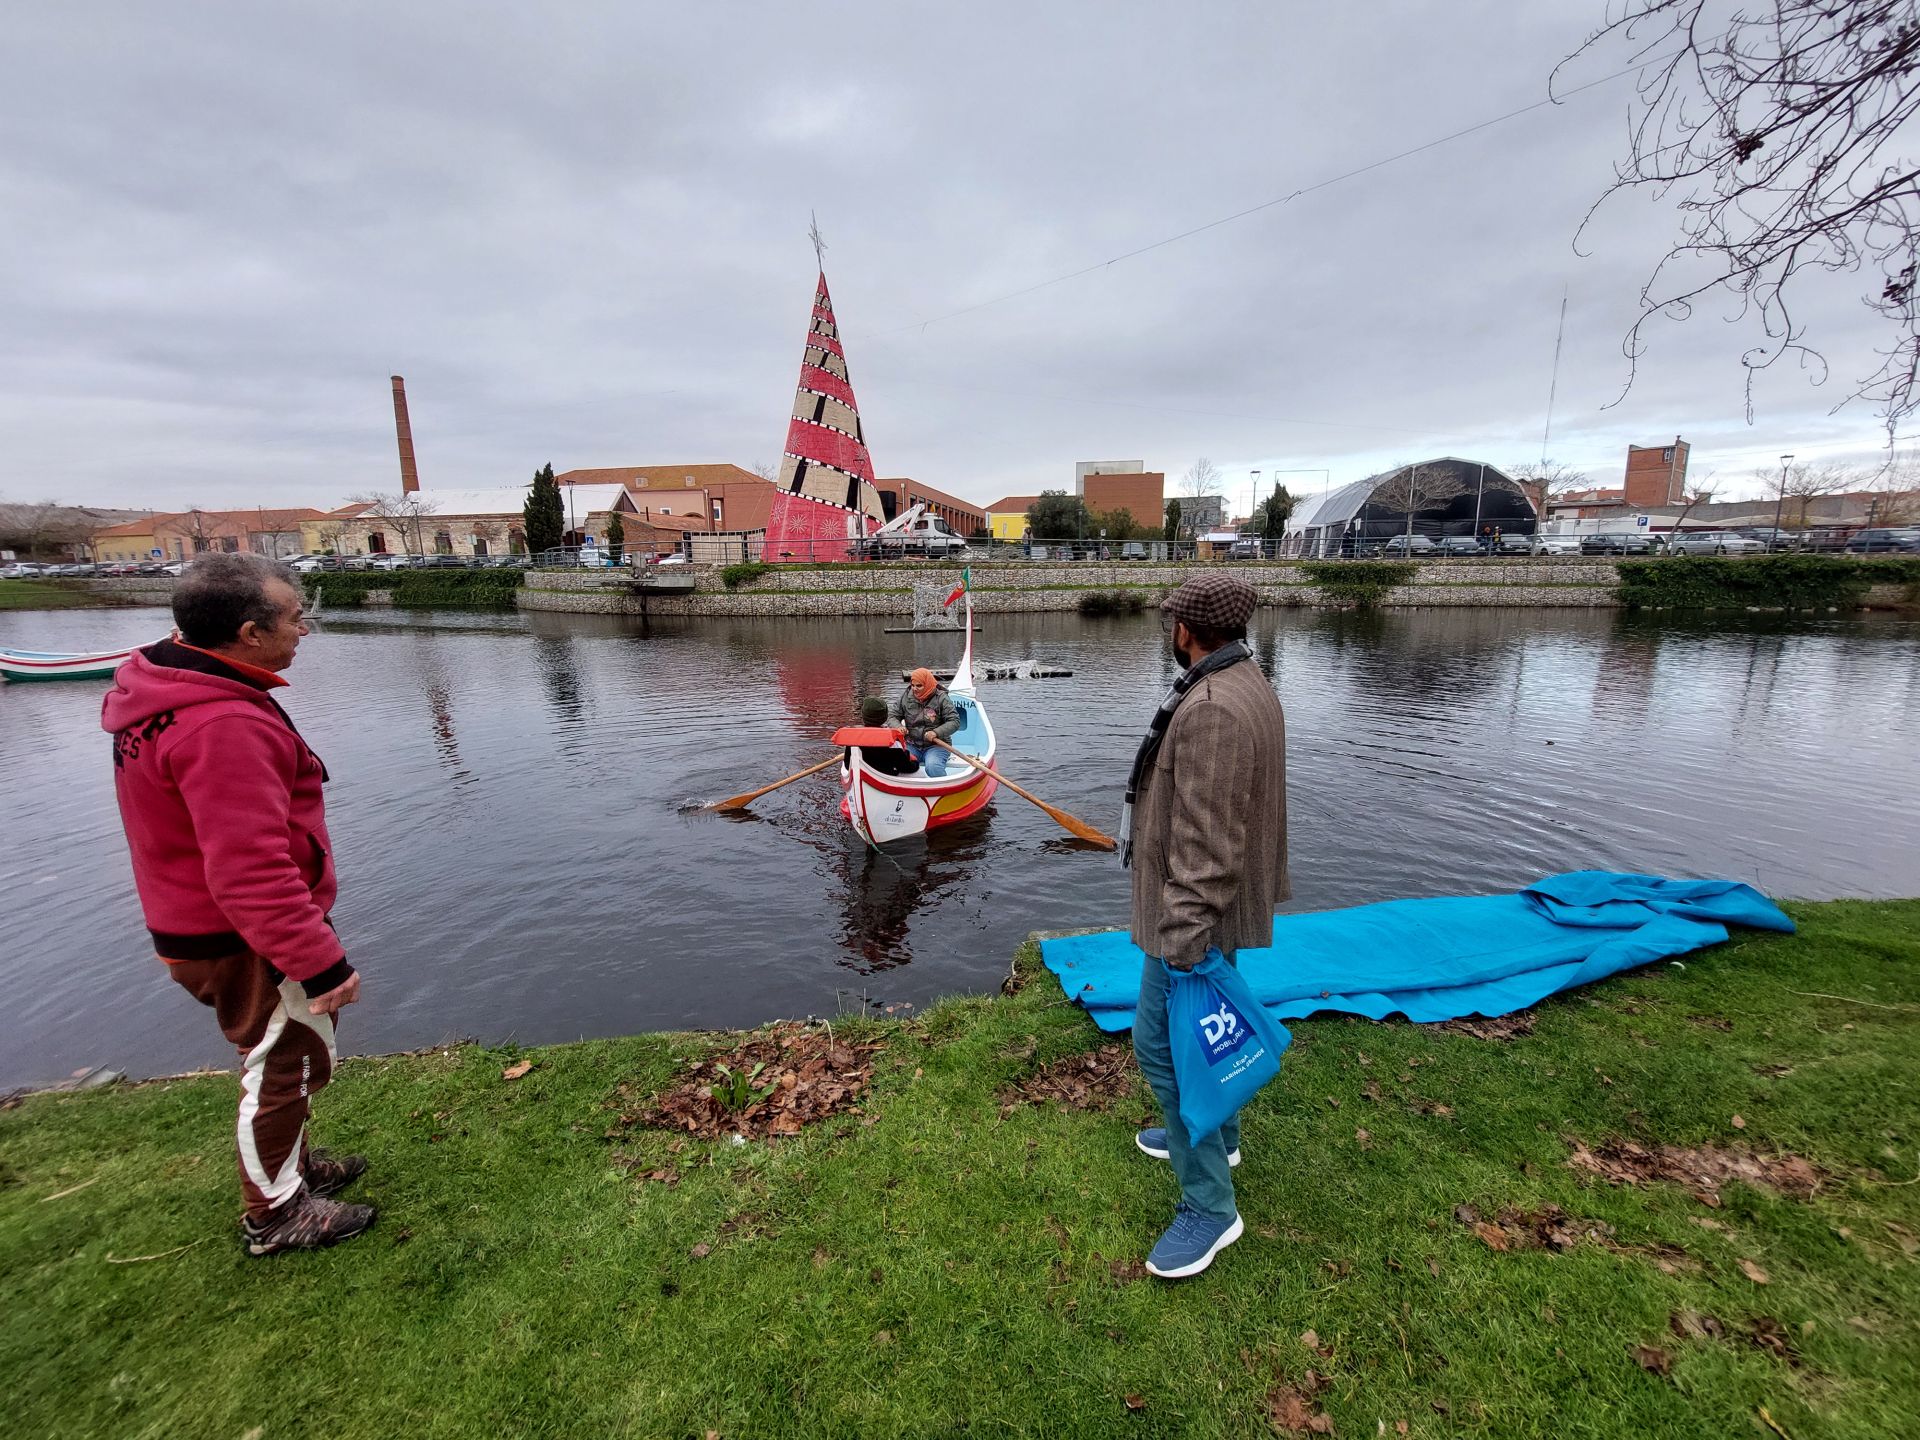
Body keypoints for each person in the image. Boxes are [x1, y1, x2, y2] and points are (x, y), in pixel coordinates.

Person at [101, 553, 373, 1256]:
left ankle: (290, 1168)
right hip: (241, 934)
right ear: (250, 633)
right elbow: (249, 869)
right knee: (284, 1065)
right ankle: (275, 1214)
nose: (304, 630)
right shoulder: (222, 724)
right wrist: (318, 962)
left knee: (278, 1050)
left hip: (199, 919)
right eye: (294, 618)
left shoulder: (169, 691)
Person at [1120, 572, 1288, 1279]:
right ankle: (1224, 1134)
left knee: (1163, 1048)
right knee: (1208, 1038)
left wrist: (1182, 940)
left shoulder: (1212, 707)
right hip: (1217, 908)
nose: (1170, 629)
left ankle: (1210, 1207)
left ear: (1187, 629)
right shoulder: (1246, 678)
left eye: (1172, 620)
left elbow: (1209, 846)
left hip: (1193, 918)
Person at [887, 667, 959, 776]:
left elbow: (954, 721)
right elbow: (892, 716)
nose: (914, 689)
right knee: (898, 764)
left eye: (919, 686)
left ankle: (941, 785)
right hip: (911, 745)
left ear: (927, 684)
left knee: (933, 766)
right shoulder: (905, 696)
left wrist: (936, 733)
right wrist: (898, 727)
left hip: (936, 746)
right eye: (912, 685)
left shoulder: (942, 698)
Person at [848, 696, 917, 776]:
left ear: (863, 716)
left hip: (863, 773)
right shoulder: (894, 743)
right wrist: (914, 761)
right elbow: (909, 768)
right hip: (888, 775)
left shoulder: (852, 740)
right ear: (885, 717)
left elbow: (847, 765)